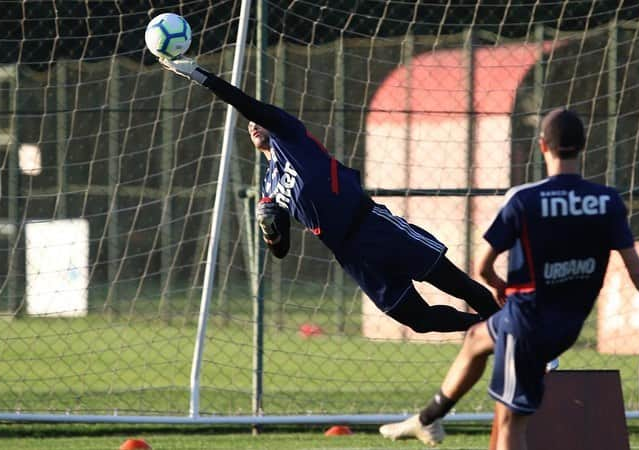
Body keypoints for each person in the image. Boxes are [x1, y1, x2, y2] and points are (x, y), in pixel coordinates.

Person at [378, 108, 639, 449]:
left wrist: (498, 285)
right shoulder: (607, 202)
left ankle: (428, 421)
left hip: (526, 324)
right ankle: (427, 420)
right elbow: (636, 268)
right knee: (477, 340)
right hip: (568, 322)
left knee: (510, 425)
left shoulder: (524, 199)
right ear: (583, 146)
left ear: (541, 146)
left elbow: (483, 266)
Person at [158, 56, 500, 332]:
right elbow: (280, 251)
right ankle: (496, 329)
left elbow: (245, 103)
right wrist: (270, 230)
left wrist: (201, 76)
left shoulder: (288, 136)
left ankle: (519, 333)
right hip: (351, 253)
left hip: (373, 226)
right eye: (249, 126)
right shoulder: (268, 186)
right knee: (417, 320)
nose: (253, 124)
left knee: (457, 284)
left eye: (255, 120)